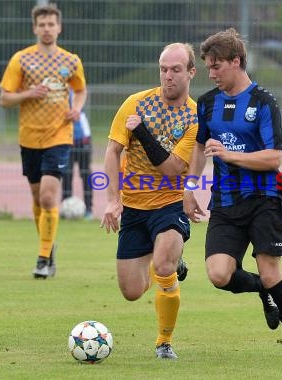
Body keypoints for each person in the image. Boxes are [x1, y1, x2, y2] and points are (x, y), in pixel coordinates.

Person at [183, 28, 282, 364]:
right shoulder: (208, 103)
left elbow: (273, 158)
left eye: (216, 66)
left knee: (273, 274)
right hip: (225, 201)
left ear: (236, 61)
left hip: (264, 200)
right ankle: (263, 292)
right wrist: (189, 187)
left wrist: (230, 155)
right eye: (209, 67)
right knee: (218, 274)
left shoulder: (264, 102)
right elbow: (200, 146)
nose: (211, 74)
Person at [101, 43, 197, 360]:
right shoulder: (135, 103)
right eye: (163, 69)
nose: (168, 76)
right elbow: (112, 151)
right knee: (130, 292)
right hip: (134, 207)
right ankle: (168, 265)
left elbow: (171, 170)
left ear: (191, 73)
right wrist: (113, 201)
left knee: (164, 264)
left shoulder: (196, 117)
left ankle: (164, 342)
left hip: (170, 204)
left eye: (176, 69)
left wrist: (141, 131)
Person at [0, 3, 87, 278]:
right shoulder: (21, 60)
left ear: (59, 27)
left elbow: (80, 89)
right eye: (42, 24)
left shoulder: (71, 60)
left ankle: (42, 258)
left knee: (50, 196)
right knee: (38, 198)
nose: (47, 29)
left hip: (59, 135)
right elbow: (4, 98)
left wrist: (77, 107)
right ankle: (48, 248)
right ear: (35, 28)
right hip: (30, 138)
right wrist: (28, 94)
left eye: (51, 24)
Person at [61, 109, 93, 220]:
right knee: (66, 174)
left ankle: (89, 210)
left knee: (86, 174)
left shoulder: (78, 93)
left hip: (82, 140)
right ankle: (65, 208)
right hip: (66, 140)